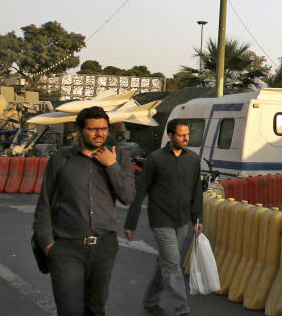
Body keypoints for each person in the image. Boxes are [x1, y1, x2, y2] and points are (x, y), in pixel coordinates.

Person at [32, 105, 135, 316]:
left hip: (104, 248)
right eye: (93, 129)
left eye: (104, 128)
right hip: (66, 247)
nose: (100, 134)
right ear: (79, 130)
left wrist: (111, 165)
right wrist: (49, 245)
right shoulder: (61, 159)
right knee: (69, 310)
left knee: (95, 310)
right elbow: (44, 203)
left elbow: (128, 197)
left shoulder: (118, 157)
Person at [124, 118, 203, 316]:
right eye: (181, 135)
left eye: (187, 135)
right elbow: (141, 190)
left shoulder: (193, 159)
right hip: (161, 220)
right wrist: (131, 222)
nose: (186, 138)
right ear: (170, 136)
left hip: (183, 220)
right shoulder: (155, 158)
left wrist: (197, 218)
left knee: (165, 263)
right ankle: (181, 309)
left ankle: (151, 301)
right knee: (171, 263)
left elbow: (196, 191)